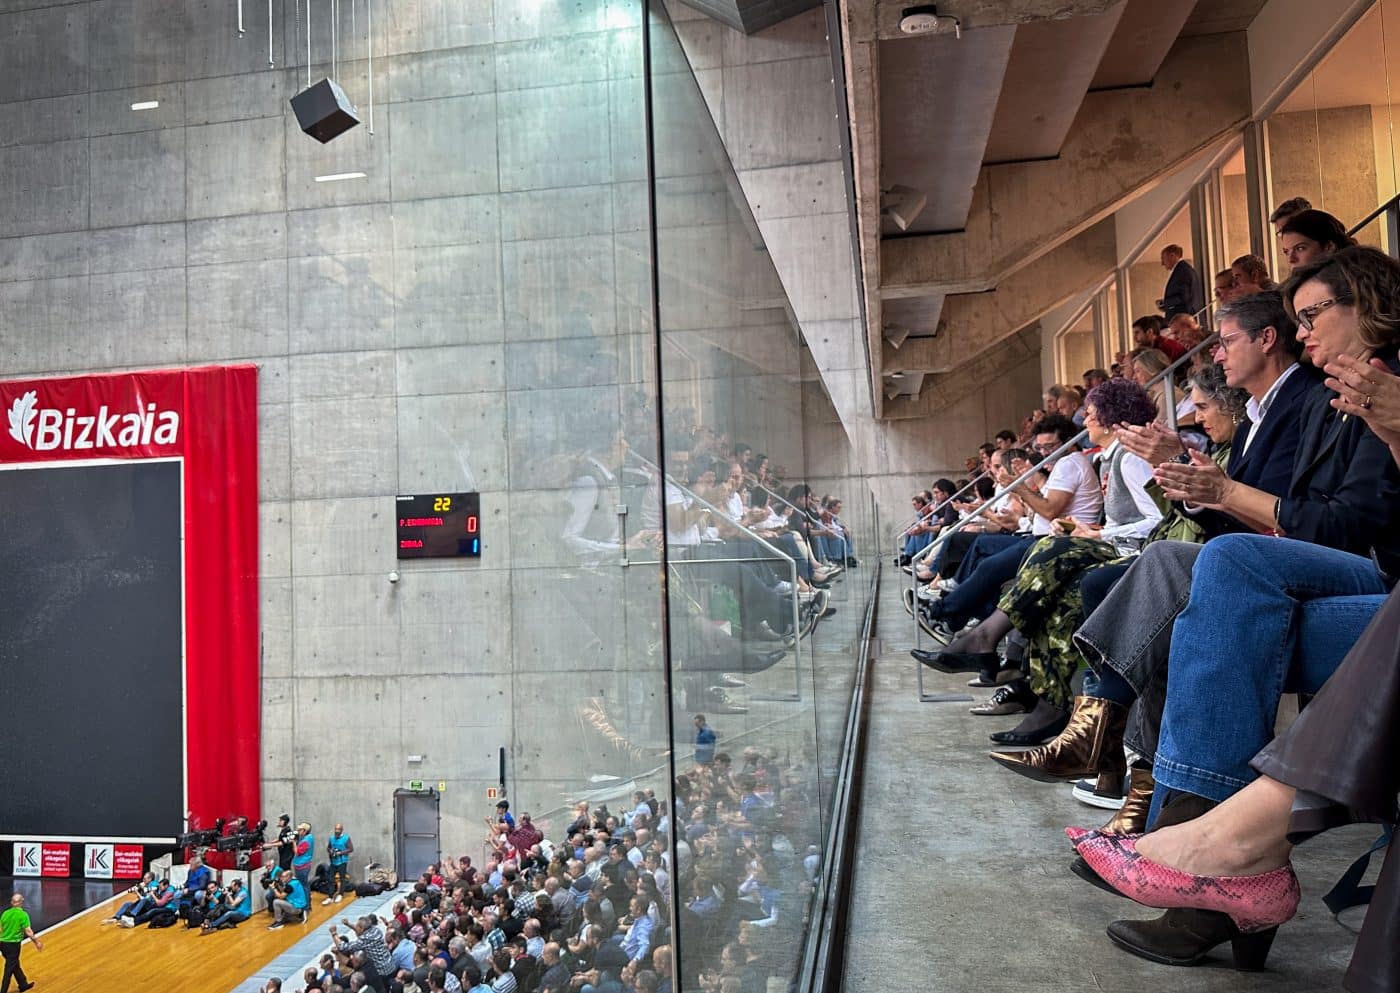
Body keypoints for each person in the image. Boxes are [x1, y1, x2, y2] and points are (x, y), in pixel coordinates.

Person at [1277, 208, 1353, 271]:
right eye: (1286, 252)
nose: (1291, 259)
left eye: (1300, 248)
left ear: (1329, 247)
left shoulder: (1344, 286)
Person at [1, 893, 40, 993]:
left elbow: (0, 929)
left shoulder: (5, 913)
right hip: (13, 945)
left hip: (2, 944)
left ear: (12, 903)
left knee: (14, 964)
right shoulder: (23, 915)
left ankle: (23, 984)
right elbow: (28, 931)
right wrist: (36, 942)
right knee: (9, 969)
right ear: (21, 903)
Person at [1157, 244, 1204, 319]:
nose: (1162, 263)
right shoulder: (1183, 269)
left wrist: (1164, 303)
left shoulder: (1182, 271)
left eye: (1163, 258)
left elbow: (1184, 297)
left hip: (1183, 319)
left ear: (1172, 255)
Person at [325, 823, 355, 905]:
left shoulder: (346, 838)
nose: (337, 831)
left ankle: (341, 894)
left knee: (342, 878)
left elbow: (350, 849)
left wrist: (341, 853)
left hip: (342, 862)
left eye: (338, 829)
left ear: (341, 830)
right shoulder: (331, 838)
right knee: (330, 879)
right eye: (336, 829)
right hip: (333, 862)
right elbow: (328, 847)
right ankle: (330, 896)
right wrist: (331, 851)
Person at [292, 822, 315, 892]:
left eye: (300, 830)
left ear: (305, 831)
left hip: (302, 866)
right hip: (304, 864)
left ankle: (306, 902)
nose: (298, 831)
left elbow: (297, 852)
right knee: (303, 885)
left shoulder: (305, 841)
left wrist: (293, 843)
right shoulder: (310, 837)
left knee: (303, 885)